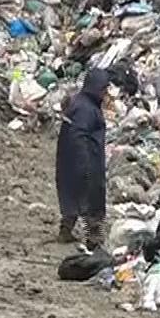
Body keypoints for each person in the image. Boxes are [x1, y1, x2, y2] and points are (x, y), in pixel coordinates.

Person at [54, 66, 111, 246]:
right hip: (86, 160)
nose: (105, 93)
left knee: (72, 197)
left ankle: (66, 231)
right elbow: (79, 136)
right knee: (92, 201)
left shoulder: (79, 103)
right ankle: (93, 240)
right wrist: (85, 164)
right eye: (103, 88)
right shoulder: (86, 109)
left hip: (68, 160)